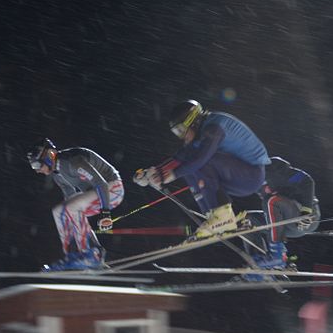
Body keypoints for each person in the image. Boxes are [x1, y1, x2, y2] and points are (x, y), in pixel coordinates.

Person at [133, 99, 318, 269]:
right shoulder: (202, 135)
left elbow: (306, 180)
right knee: (246, 222)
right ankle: (260, 263)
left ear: (193, 121)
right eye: (176, 133)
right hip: (279, 218)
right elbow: (183, 157)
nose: (181, 136)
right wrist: (156, 172)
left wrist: (307, 211)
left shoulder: (276, 171)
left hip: (303, 216)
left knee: (270, 201)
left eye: (181, 130)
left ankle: (275, 253)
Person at [27, 138, 124, 271]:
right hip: (97, 192)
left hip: (112, 189)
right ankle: (74, 255)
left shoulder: (73, 162)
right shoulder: (57, 174)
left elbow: (101, 183)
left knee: (71, 208)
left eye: (37, 165)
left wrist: (105, 212)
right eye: (34, 167)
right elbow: (71, 206)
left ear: (49, 156)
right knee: (59, 211)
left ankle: (88, 255)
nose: (37, 171)